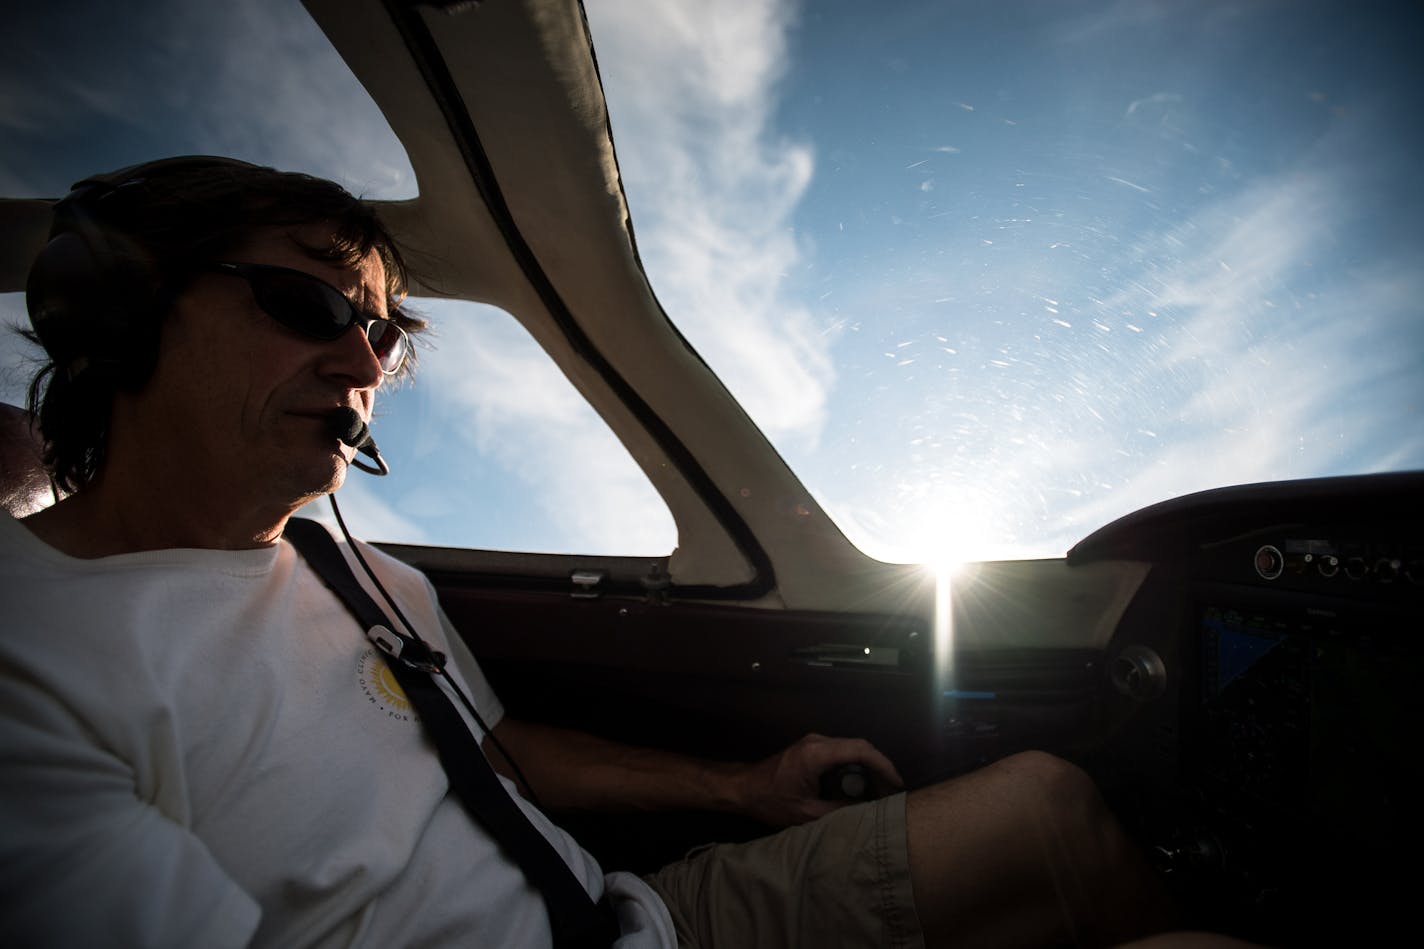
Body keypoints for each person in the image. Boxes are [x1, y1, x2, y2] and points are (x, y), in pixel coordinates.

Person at [0, 156, 1207, 949]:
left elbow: (491, 749)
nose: (364, 367)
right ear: (121, 307)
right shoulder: (32, 656)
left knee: (1047, 802)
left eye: (379, 336)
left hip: (639, 917)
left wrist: (742, 789)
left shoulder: (359, 573)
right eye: (310, 307)